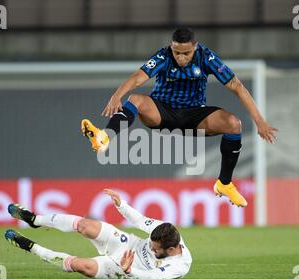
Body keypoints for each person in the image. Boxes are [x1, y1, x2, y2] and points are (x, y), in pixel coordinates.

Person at [81, 27, 277, 208]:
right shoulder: (163, 55)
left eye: (186, 53)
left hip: (194, 115)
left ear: (195, 47)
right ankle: (104, 138)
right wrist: (116, 96)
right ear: (172, 47)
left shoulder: (206, 57)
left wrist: (260, 121)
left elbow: (237, 86)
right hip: (162, 112)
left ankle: (224, 183)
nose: (181, 58)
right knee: (136, 100)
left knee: (234, 124)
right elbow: (137, 77)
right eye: (177, 52)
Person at [4, 189, 192, 279]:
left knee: (81, 265)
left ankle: (31, 247)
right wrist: (121, 205)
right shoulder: (166, 230)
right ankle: (35, 220)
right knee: (86, 225)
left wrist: (128, 271)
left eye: (155, 249)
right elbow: (140, 221)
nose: (151, 248)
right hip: (127, 245)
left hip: (124, 268)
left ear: (172, 249)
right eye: (151, 244)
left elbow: (152, 277)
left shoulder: (179, 266)